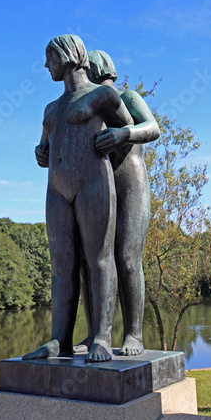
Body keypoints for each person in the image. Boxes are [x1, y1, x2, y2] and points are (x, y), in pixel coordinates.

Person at [23, 35, 134, 362]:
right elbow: (45, 143)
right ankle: (59, 340)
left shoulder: (103, 95)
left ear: (69, 56)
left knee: (99, 259)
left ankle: (102, 336)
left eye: (50, 59)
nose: (46, 66)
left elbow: (127, 130)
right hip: (56, 188)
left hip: (92, 182)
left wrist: (114, 138)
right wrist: (41, 152)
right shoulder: (51, 108)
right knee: (61, 264)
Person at [73, 50, 160, 356]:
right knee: (90, 260)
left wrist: (124, 133)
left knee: (126, 257)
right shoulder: (88, 104)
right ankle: (95, 333)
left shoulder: (127, 96)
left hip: (130, 183)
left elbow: (153, 128)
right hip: (99, 186)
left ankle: (134, 334)